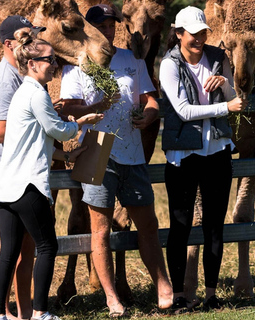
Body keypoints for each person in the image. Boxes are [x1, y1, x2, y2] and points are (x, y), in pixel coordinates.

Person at [59, 4, 174, 317]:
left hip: (131, 150)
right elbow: (68, 109)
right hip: (95, 148)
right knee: (100, 229)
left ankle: (162, 284)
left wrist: (149, 115)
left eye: (111, 25)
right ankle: (111, 298)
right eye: (101, 26)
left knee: (147, 222)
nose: (107, 30)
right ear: (91, 29)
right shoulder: (77, 65)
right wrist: (97, 105)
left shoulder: (131, 60)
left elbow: (150, 99)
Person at [0, 28, 103, 320]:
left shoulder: (22, 93)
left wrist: (64, 156)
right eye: (49, 59)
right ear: (32, 64)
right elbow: (57, 130)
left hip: (6, 188)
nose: (55, 64)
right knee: (47, 246)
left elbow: (31, 141)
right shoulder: (37, 94)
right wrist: (80, 122)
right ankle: (41, 312)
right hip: (28, 187)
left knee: (8, 254)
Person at [159, 6, 248, 312]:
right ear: (179, 33)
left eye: (202, 34)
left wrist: (223, 84)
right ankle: (181, 296)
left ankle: (211, 294)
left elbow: (235, 95)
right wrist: (224, 108)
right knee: (180, 224)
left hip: (217, 152)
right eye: (192, 34)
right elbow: (183, 111)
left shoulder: (217, 57)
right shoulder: (168, 65)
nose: (198, 39)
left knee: (214, 225)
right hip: (183, 155)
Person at [0, 15, 46, 320]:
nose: (30, 40)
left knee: (25, 247)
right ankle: (1, 311)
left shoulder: (22, 72)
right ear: (8, 43)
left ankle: (21, 312)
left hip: (20, 171)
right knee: (11, 247)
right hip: (5, 174)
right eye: (25, 35)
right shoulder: (3, 80)